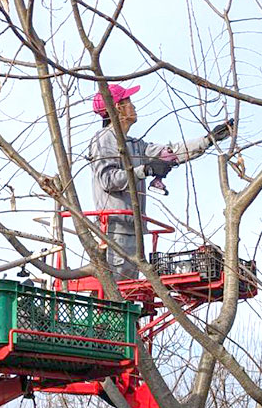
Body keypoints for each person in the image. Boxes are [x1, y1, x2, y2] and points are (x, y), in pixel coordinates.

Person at [88, 82, 233, 280]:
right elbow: (107, 179)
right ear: (117, 108)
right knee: (116, 295)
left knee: (127, 296)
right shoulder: (103, 140)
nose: (134, 106)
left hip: (135, 231)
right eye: (128, 101)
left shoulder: (135, 145)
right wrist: (144, 170)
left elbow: (169, 153)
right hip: (114, 231)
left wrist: (207, 140)